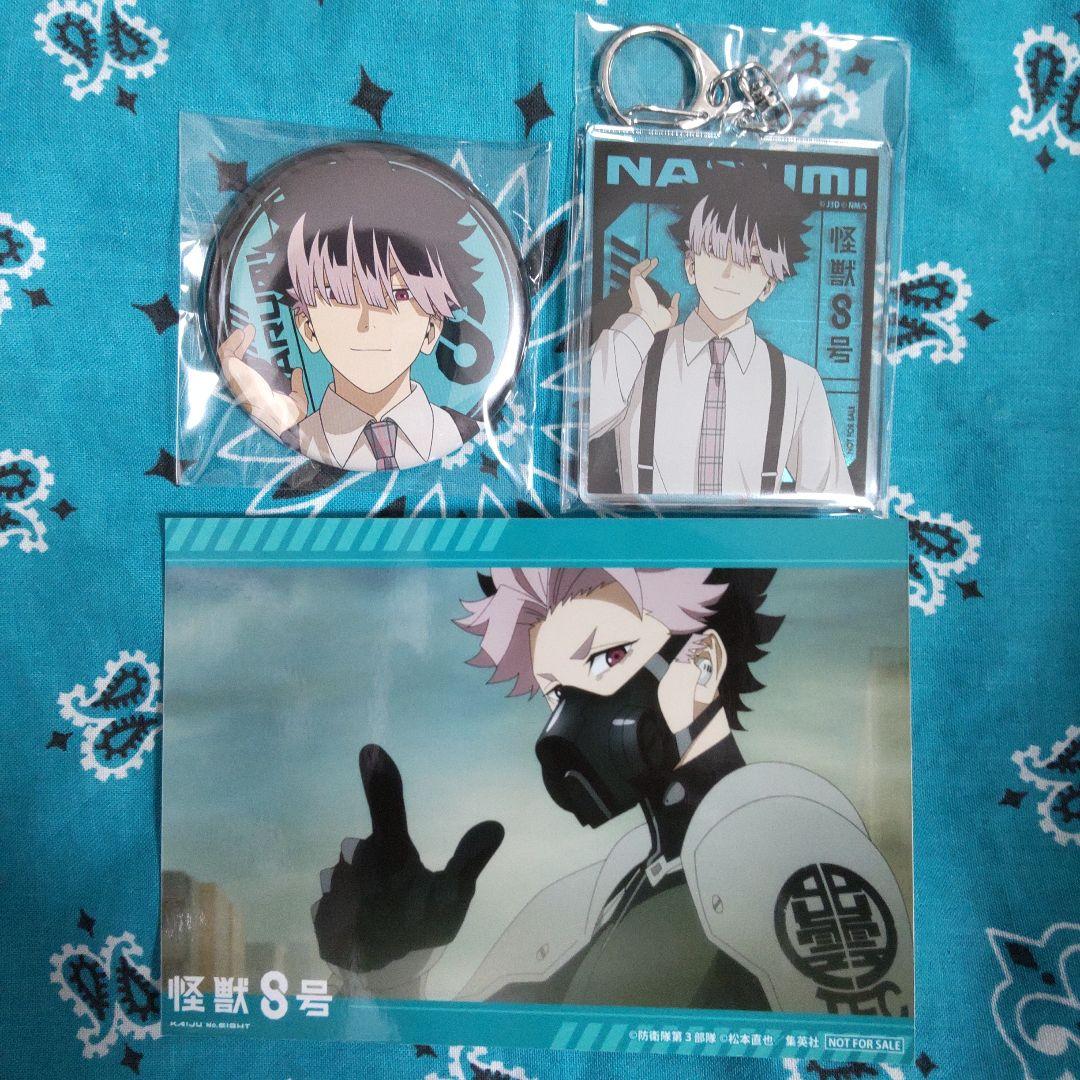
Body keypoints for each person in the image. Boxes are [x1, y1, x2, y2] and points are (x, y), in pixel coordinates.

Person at [312, 567, 912, 1015]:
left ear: (702, 663)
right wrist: (389, 967)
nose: (572, 718)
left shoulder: (796, 857)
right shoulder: (603, 895)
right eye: (557, 692)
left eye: (606, 659)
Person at [589, 164, 853, 498]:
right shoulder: (637, 356)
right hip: (643, 531)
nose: (730, 273)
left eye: (751, 259)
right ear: (690, 265)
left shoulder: (799, 383)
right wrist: (640, 323)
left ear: (769, 285)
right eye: (715, 251)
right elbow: (578, 420)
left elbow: (832, 501)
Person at [217, 151, 483, 472]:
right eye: (338, 295)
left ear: (432, 329)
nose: (367, 323)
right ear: (307, 327)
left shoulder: (463, 430)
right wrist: (283, 424)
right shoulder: (297, 432)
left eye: (399, 294)